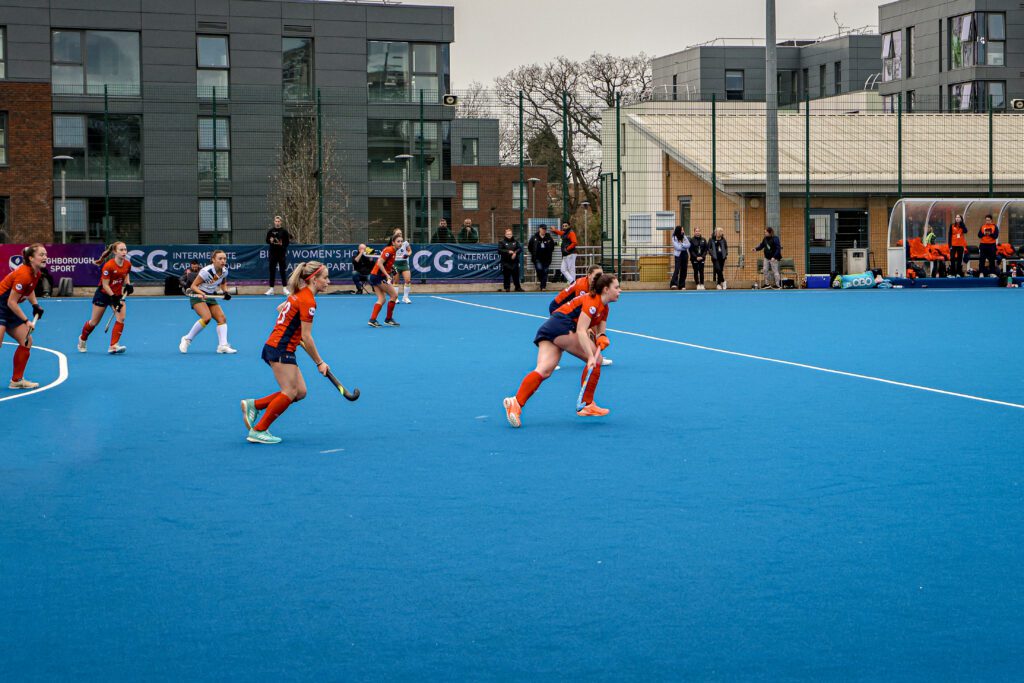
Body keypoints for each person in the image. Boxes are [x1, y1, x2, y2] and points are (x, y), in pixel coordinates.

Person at [502, 273, 622, 428]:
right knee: (596, 360)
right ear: (606, 289)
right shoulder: (591, 302)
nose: (620, 291)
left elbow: (600, 331)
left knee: (544, 370)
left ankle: (515, 402)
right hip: (561, 327)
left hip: (551, 327)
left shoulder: (604, 308)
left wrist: (602, 336)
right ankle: (586, 404)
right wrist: (591, 356)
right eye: (617, 287)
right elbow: (581, 331)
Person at [241, 261, 331, 445]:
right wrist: (319, 362)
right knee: (289, 391)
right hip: (280, 348)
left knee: (300, 392)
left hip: (280, 346)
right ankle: (259, 430)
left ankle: (254, 405)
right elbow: (307, 336)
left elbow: (281, 309)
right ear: (314, 280)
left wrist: (294, 331)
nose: (328, 282)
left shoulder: (298, 294)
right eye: (325, 278)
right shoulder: (308, 300)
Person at [0, 243, 47, 390]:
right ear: (31, 258)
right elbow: (11, 302)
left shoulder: (35, 273)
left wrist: (35, 306)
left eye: (45, 254)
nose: (45, 257)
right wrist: (27, 321)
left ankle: (16, 381)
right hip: (2, 304)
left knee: (26, 341)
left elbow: (30, 289)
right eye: (41, 255)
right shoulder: (24, 274)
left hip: (9, 308)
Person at [77, 241, 133, 354]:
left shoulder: (127, 264)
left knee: (121, 318)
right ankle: (82, 339)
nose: (124, 252)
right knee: (94, 322)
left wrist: (128, 284)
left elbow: (126, 273)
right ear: (114, 251)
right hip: (103, 294)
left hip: (117, 295)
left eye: (125, 249)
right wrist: (112, 297)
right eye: (121, 250)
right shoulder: (109, 266)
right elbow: (105, 285)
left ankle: (113, 345)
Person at [179, 249, 237, 354]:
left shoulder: (224, 270)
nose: (223, 261)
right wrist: (201, 293)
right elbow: (193, 286)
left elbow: (223, 282)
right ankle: (187, 339)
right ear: (213, 260)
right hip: (197, 294)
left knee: (221, 318)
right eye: (220, 258)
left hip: (210, 295)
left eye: (224, 258)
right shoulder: (206, 271)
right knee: (207, 317)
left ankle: (222, 346)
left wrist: (225, 292)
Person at [368, 232, 402, 327]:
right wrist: (387, 275)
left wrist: (391, 269)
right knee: (394, 295)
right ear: (393, 242)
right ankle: (388, 319)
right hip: (378, 276)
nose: (400, 243)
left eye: (401, 241)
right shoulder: (389, 250)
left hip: (375, 276)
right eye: (398, 241)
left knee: (382, 299)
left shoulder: (393, 251)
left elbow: (385, 264)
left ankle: (372, 319)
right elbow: (379, 263)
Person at [265, 215, 291, 296]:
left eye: (278, 221)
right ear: (274, 222)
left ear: (281, 222)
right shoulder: (270, 231)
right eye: (276, 221)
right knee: (272, 271)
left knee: (282, 271)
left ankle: (285, 289)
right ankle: (271, 289)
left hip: (281, 254)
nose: (277, 223)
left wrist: (282, 244)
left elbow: (287, 242)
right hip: (272, 254)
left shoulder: (284, 231)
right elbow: (267, 241)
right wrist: (270, 241)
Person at [528, 223, 556, 291]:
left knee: (545, 271)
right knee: (539, 269)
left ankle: (543, 286)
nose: (544, 230)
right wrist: (534, 253)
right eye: (542, 229)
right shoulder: (534, 237)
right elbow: (530, 247)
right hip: (537, 258)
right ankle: (542, 282)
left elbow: (552, 247)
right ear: (539, 229)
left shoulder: (549, 237)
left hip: (547, 258)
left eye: (545, 229)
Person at [498, 228, 524, 292]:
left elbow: (520, 249)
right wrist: (508, 251)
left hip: (514, 262)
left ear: (512, 234)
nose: (509, 235)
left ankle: (517, 287)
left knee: (516, 275)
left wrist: (515, 253)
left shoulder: (515, 242)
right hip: (506, 262)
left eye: (510, 234)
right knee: (507, 275)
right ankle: (507, 288)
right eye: (507, 234)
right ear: (505, 235)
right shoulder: (502, 242)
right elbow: (500, 250)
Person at [392, 228, 413, 303]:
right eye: (397, 233)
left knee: (408, 280)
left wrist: (407, 255)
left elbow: (409, 251)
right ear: (394, 235)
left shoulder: (405, 243)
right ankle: (395, 298)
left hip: (404, 263)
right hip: (395, 264)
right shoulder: (392, 244)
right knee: (396, 281)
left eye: (400, 233)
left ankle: (405, 297)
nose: (399, 235)